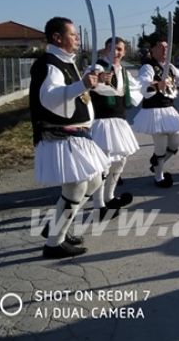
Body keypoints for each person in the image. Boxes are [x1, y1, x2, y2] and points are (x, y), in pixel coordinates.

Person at [30, 17, 110, 259]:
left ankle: (56, 225)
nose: (77, 38)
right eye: (73, 35)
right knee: (75, 187)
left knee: (95, 182)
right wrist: (83, 84)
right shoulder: (49, 64)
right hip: (61, 136)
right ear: (57, 37)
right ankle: (54, 242)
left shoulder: (66, 62)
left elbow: (76, 92)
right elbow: (51, 98)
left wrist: (93, 84)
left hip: (77, 135)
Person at [132, 35, 179, 188]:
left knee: (175, 144)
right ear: (153, 50)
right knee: (160, 146)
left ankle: (156, 163)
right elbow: (142, 85)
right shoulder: (148, 67)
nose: (165, 50)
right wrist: (156, 85)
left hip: (169, 109)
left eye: (167, 48)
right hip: (154, 110)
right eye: (161, 47)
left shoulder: (170, 67)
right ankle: (159, 176)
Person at [89, 37, 143, 219]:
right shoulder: (97, 67)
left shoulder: (124, 72)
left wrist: (155, 85)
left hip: (119, 121)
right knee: (103, 164)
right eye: (113, 49)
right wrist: (99, 78)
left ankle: (109, 196)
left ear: (124, 52)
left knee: (120, 161)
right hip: (102, 121)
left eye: (120, 49)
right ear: (105, 50)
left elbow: (139, 89)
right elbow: (91, 81)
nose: (117, 52)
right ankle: (98, 204)